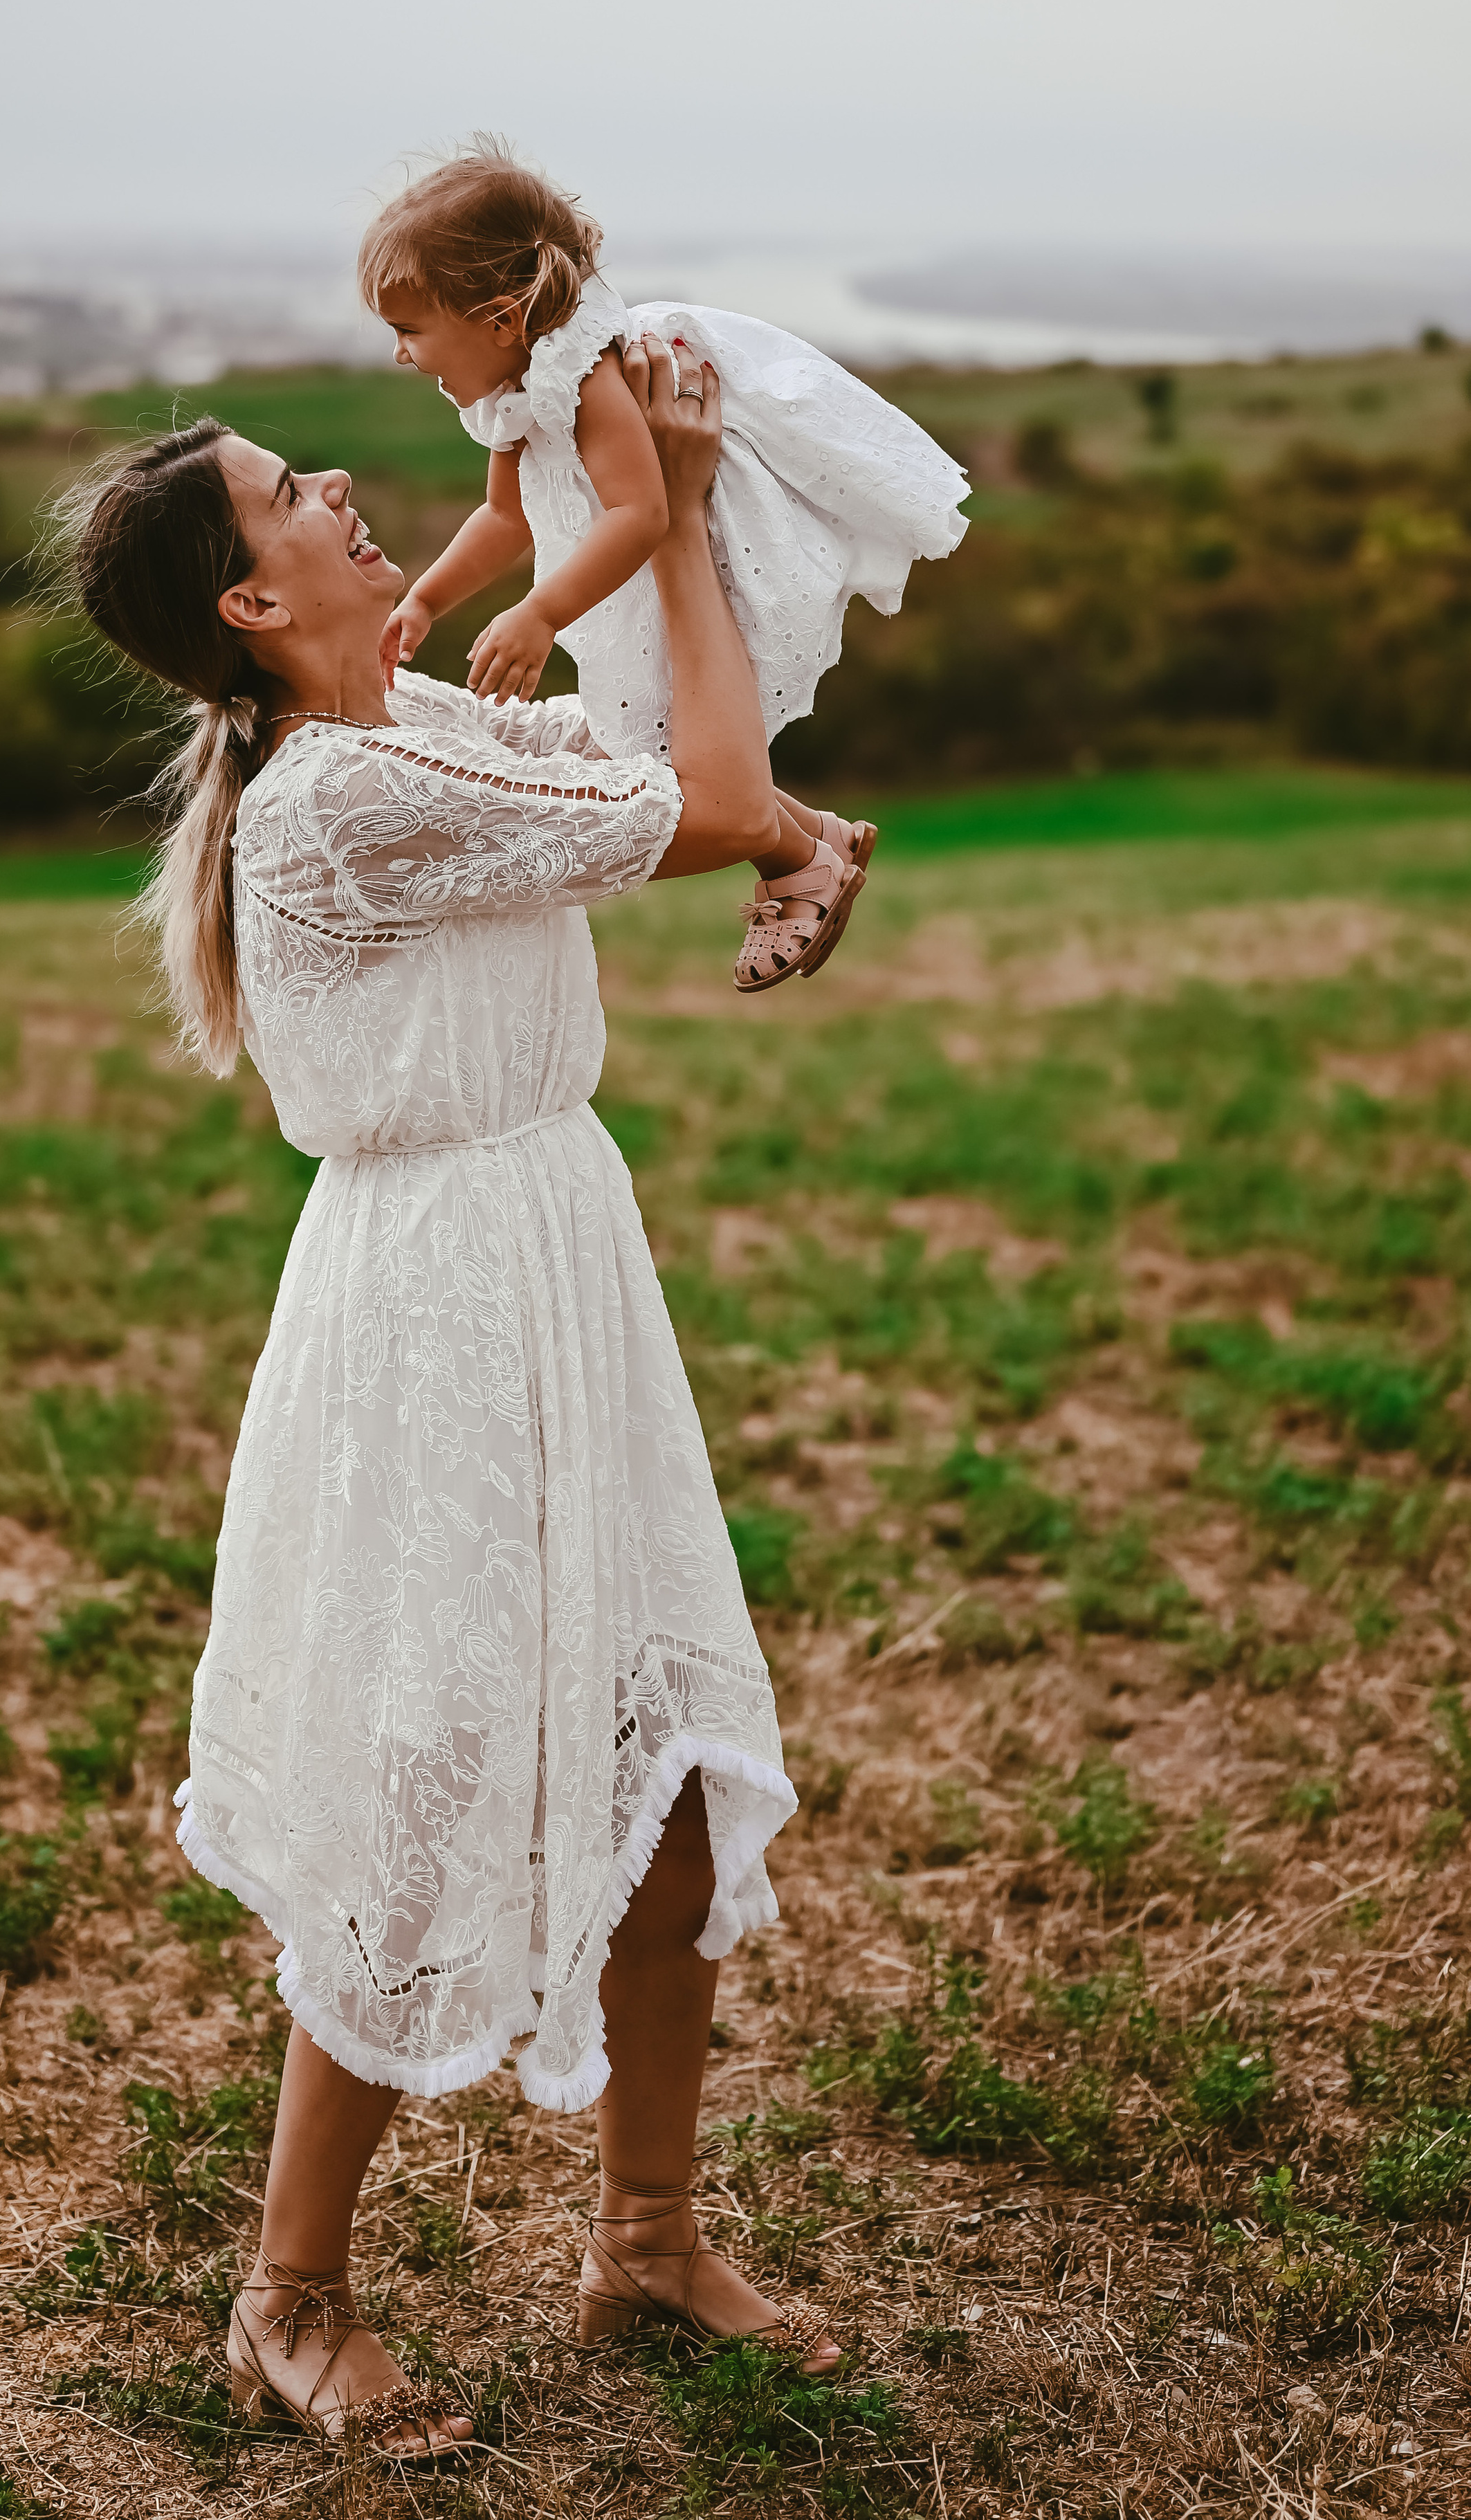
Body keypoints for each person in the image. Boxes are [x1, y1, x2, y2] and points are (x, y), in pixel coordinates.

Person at [59, 335, 839, 2462]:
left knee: (662, 1737)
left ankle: (651, 2232)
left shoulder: (408, 717)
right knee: (418, 1778)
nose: (341, 486)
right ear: (248, 596)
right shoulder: (341, 789)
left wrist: (741, 740)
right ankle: (289, 2294)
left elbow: (678, 758)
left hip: (555, 1253)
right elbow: (691, 791)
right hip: (434, 1307)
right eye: (291, 490)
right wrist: (660, 526)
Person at [358, 134, 969, 992]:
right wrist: (427, 599)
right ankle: (812, 844)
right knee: (646, 747)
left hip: (679, 571)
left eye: (410, 330)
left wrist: (540, 615)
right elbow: (505, 515)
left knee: (666, 754)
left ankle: (802, 864)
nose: (400, 354)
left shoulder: (590, 376)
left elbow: (642, 511)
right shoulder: (516, 392)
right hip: (625, 579)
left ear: (499, 319)